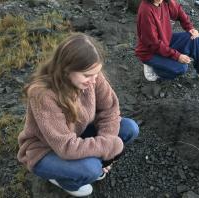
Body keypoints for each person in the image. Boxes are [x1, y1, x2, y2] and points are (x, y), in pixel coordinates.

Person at [17, 33, 140, 197]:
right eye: (87, 75)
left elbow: (110, 109)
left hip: (78, 134)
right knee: (91, 169)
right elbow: (65, 146)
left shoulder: (93, 76)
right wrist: (107, 147)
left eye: (96, 73)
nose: (93, 80)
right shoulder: (43, 95)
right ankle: (63, 180)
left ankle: (91, 163)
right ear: (66, 70)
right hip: (46, 149)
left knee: (130, 128)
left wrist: (106, 148)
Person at [135, 0, 199, 82]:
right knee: (181, 68)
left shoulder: (165, 1)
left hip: (165, 41)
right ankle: (154, 68)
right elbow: (154, 44)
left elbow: (178, 11)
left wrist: (190, 28)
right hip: (150, 52)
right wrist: (177, 56)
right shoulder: (146, 10)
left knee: (194, 37)